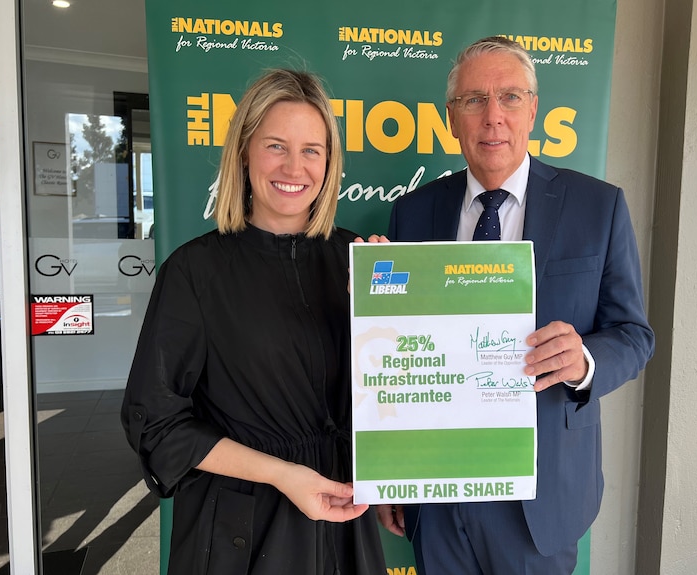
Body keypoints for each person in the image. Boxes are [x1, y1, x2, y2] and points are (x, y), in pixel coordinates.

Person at [375, 36, 655, 574]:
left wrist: (583, 361)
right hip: (439, 494)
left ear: (533, 110)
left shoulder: (598, 206)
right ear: (451, 117)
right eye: (474, 100)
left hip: (541, 498)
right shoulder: (411, 215)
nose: (492, 118)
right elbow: (396, 357)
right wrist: (393, 475)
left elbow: (633, 334)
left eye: (509, 97)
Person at [121, 69, 386, 575]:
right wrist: (283, 475)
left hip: (345, 513)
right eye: (275, 146)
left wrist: (385, 313)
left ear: (330, 163)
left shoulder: (359, 260)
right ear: (243, 152)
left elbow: (401, 385)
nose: (295, 166)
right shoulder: (194, 271)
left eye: (312, 149)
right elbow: (155, 422)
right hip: (240, 527)